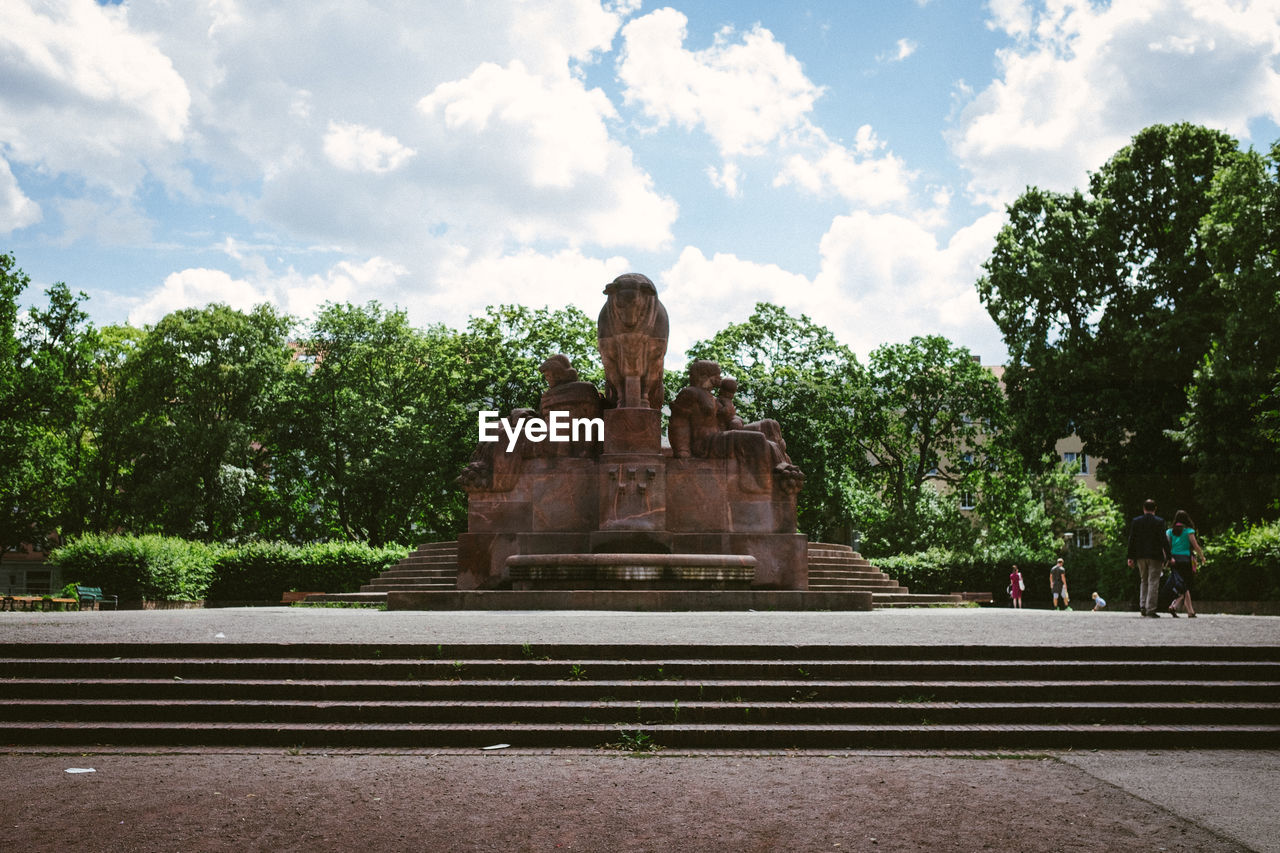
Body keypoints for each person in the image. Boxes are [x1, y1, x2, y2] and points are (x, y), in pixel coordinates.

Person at [1127, 499, 1172, 617]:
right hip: (1155, 556)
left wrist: (1130, 557)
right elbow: (1163, 540)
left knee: (1144, 580)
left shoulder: (1136, 521)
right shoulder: (1159, 521)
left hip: (1140, 556)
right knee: (1153, 582)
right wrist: (1168, 556)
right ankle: (1150, 608)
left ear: (1143, 508)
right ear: (1155, 509)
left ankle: (1142, 605)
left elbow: (1132, 539)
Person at [1165, 509, 1206, 618]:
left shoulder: (1169, 532)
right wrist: (1202, 557)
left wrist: (1167, 560)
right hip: (1185, 560)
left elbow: (1166, 547)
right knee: (1185, 585)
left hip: (1174, 560)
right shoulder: (1189, 531)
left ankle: (1183, 608)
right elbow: (1195, 545)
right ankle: (1183, 608)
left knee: (1183, 586)